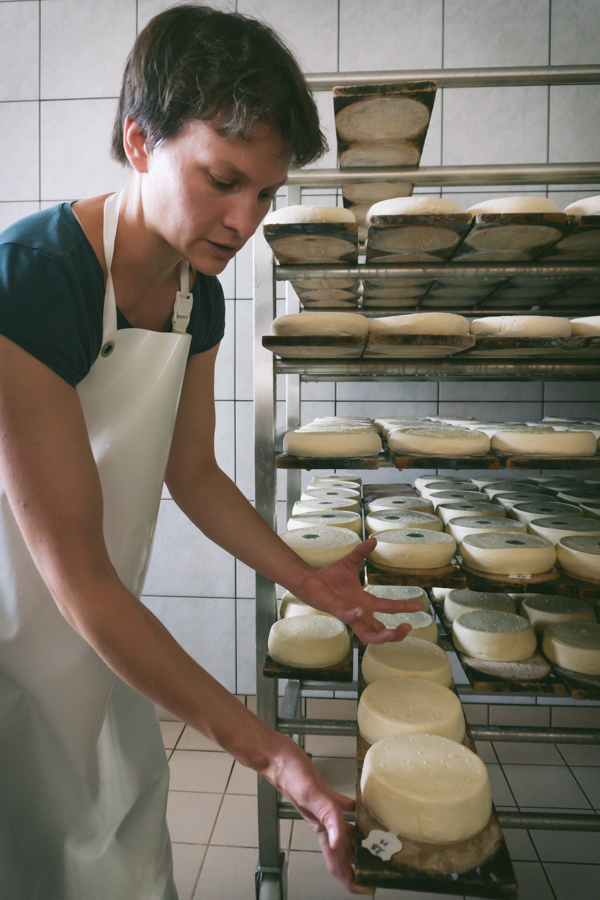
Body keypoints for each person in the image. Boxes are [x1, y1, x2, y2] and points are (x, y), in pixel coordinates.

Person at [0, 5, 419, 898]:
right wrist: (271, 754)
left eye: (265, 194)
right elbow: (75, 576)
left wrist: (306, 579)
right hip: (18, 630)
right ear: (141, 143)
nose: (244, 221)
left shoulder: (200, 299)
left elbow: (191, 474)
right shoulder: (32, 285)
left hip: (95, 635)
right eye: (223, 179)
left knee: (119, 842)